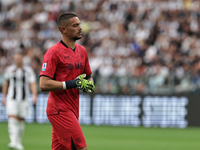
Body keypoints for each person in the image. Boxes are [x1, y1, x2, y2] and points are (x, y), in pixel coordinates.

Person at [39, 12, 95, 150]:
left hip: (73, 108)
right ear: (63, 29)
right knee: (80, 147)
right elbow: (43, 84)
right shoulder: (53, 52)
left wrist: (89, 86)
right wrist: (72, 84)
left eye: (79, 25)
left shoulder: (82, 51)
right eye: (75, 25)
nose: (80, 28)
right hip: (59, 109)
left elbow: (88, 76)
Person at [2, 51, 37, 150]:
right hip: (11, 98)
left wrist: (34, 96)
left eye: (19, 58)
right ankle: (13, 141)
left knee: (21, 120)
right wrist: (4, 97)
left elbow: (33, 83)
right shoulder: (10, 70)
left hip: (24, 98)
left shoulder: (28, 70)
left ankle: (18, 142)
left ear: (22, 58)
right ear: (13, 59)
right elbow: (6, 83)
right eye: (15, 58)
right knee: (12, 118)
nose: (17, 60)